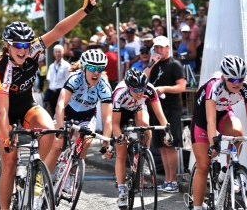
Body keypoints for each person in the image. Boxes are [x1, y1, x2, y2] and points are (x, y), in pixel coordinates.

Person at [0, 0, 97, 210]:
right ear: (8, 46)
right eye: (17, 45)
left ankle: (37, 177)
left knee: (50, 131)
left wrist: (83, 11)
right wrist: (6, 137)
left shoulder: (34, 49)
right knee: (10, 162)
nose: (22, 49)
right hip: (6, 113)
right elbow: (2, 111)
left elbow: (59, 31)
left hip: (28, 105)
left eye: (25, 44)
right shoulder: (2, 69)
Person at [190, 55, 247, 210]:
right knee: (204, 164)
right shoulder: (214, 86)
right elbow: (211, 121)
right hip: (203, 117)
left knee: (238, 132)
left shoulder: (245, 89)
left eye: (241, 79)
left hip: (224, 113)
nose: (237, 83)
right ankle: (198, 207)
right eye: (233, 80)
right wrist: (214, 145)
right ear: (224, 78)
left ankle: (227, 171)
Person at [44, 49, 113, 183]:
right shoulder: (75, 79)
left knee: (87, 140)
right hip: (67, 113)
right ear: (84, 68)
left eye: (100, 68)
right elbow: (60, 105)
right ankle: (42, 180)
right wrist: (59, 130)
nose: (96, 73)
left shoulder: (104, 86)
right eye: (92, 68)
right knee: (57, 145)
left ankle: (72, 175)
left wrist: (106, 143)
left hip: (86, 117)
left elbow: (107, 118)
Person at [112, 68, 169, 208]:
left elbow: (160, 114)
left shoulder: (149, 89)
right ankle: (122, 191)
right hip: (122, 113)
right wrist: (119, 137)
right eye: (136, 90)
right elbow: (114, 124)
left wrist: (168, 131)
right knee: (121, 152)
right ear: (128, 87)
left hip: (138, 108)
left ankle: (144, 154)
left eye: (142, 89)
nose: (140, 93)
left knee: (145, 125)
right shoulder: (119, 94)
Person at [144, 35, 186, 193]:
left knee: (170, 145)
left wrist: (164, 89)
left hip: (170, 108)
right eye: (156, 48)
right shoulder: (154, 64)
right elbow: (143, 78)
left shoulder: (175, 65)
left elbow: (182, 87)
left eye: (162, 47)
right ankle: (168, 179)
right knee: (161, 146)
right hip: (155, 108)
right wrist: (151, 63)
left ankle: (173, 181)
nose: (159, 50)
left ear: (168, 48)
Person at [45, 44, 71, 118]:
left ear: (62, 53)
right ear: (54, 53)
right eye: (56, 52)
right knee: (53, 111)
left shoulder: (66, 66)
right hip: (52, 91)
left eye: (59, 52)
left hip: (61, 91)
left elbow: (68, 80)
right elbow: (49, 79)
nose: (58, 54)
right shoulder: (51, 66)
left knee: (61, 110)